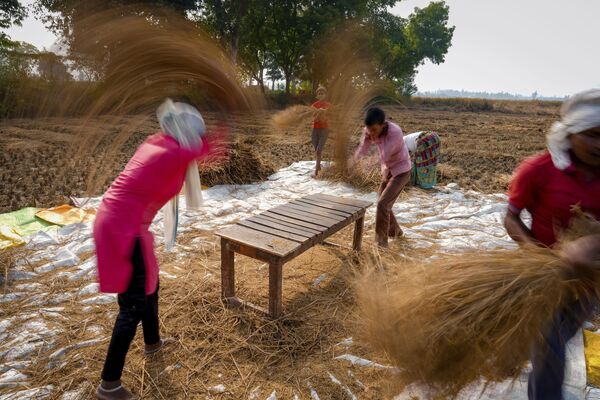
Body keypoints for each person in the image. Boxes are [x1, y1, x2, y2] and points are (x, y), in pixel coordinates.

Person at [93, 99, 221, 400]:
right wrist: (226, 113)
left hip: (126, 222)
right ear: (187, 135)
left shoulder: (159, 142)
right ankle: (108, 384)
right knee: (133, 304)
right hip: (123, 227)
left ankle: (152, 343)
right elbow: (212, 151)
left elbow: (199, 151)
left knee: (151, 286)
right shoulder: (171, 150)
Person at [504, 89, 600, 400]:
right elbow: (511, 218)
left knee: (558, 339)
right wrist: (538, 257)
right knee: (549, 345)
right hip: (544, 281)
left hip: (587, 283)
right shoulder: (540, 170)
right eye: (592, 135)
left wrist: (591, 244)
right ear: (572, 134)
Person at [354, 107, 411, 247]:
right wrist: (354, 161)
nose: (371, 133)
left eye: (374, 130)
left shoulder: (394, 132)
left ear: (382, 124)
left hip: (401, 170)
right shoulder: (369, 130)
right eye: (369, 130)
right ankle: (396, 231)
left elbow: (385, 154)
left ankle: (381, 244)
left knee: (383, 204)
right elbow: (363, 147)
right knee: (383, 202)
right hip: (388, 170)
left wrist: (368, 163)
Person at [311, 86, 331, 177]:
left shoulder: (328, 106)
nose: (320, 94)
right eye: (319, 93)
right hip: (315, 130)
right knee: (316, 150)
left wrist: (323, 113)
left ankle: (317, 170)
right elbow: (313, 118)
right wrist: (318, 114)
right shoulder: (314, 106)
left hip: (324, 130)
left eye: (322, 93)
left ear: (325, 95)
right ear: (317, 96)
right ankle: (318, 166)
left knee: (319, 150)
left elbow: (329, 116)